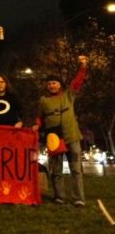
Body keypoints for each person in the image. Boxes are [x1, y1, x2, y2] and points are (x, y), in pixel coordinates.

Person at [32, 55, 88, 206]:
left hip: (72, 137)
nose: (51, 86)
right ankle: (59, 196)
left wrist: (83, 67)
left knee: (76, 169)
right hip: (54, 139)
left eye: (54, 83)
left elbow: (78, 82)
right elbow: (40, 117)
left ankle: (78, 198)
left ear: (59, 85)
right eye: (49, 84)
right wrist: (37, 124)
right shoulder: (44, 101)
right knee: (56, 170)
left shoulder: (68, 95)